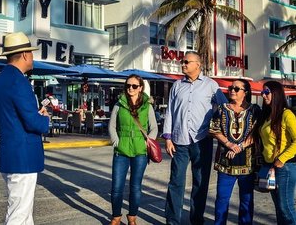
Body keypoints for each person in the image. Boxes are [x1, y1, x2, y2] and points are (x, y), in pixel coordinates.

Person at [163, 51, 228, 225]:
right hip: (179, 141)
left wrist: (215, 128)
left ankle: (196, 219)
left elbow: (224, 109)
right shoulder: (177, 85)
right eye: (182, 61)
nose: (182, 64)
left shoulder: (211, 85)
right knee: (176, 182)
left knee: (200, 183)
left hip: (202, 141)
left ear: (198, 64)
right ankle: (172, 221)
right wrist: (168, 138)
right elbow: (170, 111)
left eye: (186, 61)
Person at [0, 32, 50, 224]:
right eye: (32, 53)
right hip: (23, 157)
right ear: (25, 54)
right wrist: (45, 119)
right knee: (18, 215)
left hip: (10, 154)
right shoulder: (19, 81)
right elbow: (33, 123)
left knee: (23, 214)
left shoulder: (0, 79)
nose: (33, 57)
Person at [209, 79, 261, 225]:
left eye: (236, 89)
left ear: (245, 92)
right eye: (231, 88)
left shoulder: (254, 110)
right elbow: (214, 129)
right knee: (222, 199)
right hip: (225, 162)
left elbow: (257, 132)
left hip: (247, 163)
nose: (232, 90)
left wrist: (240, 147)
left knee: (246, 200)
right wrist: (229, 144)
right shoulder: (222, 108)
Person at [108, 75, 158, 225]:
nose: (130, 88)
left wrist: (147, 142)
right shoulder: (119, 104)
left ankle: (132, 217)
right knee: (116, 187)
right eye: (128, 85)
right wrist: (116, 141)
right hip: (121, 151)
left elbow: (154, 127)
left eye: (134, 86)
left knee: (135, 187)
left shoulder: (147, 106)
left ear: (140, 88)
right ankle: (116, 217)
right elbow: (112, 125)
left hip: (140, 151)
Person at [255, 81, 296, 224]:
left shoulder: (287, 114)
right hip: (269, 166)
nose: (263, 95)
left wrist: (281, 159)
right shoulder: (267, 116)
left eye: (267, 92)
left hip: (285, 166)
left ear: (276, 94)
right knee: (279, 208)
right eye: (262, 92)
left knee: (286, 207)